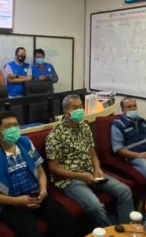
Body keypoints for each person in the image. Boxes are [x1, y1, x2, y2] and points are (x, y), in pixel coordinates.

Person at [46, 95, 134, 227]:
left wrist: (97, 168)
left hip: (91, 172)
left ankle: (125, 229)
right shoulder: (55, 135)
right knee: (96, 207)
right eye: (75, 108)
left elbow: (93, 154)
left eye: (81, 106)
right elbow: (53, 168)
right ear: (66, 112)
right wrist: (81, 176)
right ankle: (108, 233)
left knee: (124, 191)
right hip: (70, 179)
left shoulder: (85, 128)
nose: (79, 110)